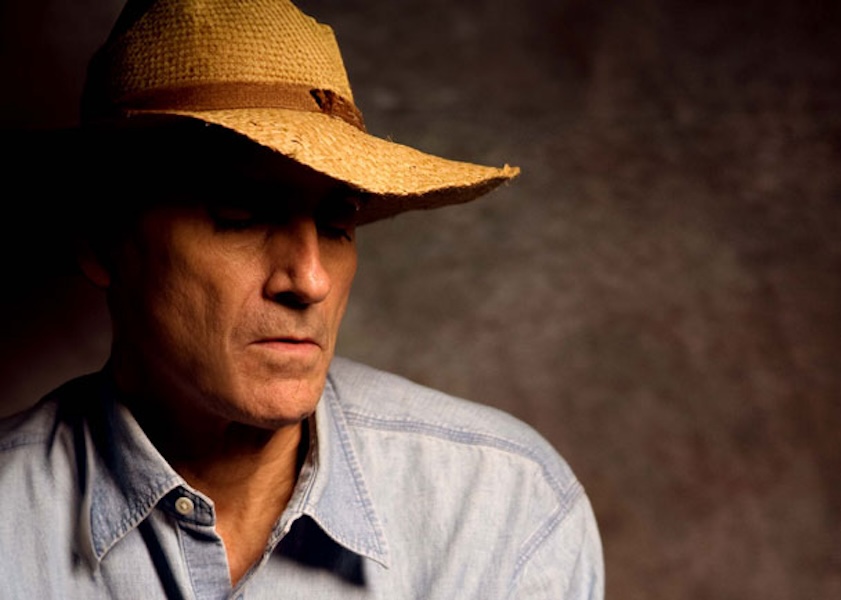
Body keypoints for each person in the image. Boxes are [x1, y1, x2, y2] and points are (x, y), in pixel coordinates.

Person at [0, 0, 604, 598]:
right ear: (104, 243)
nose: (309, 279)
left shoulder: (505, 510)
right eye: (239, 214)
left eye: (338, 222)